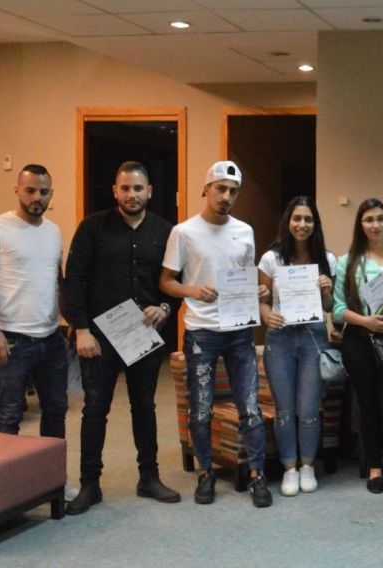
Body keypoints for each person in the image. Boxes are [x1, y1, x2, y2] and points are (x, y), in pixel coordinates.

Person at [62, 161, 182, 515]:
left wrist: (165, 307)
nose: (132, 194)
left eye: (138, 188)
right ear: (115, 190)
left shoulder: (165, 231)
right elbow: (75, 281)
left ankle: (149, 477)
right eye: (125, 188)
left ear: (150, 192)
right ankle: (90, 484)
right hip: (98, 336)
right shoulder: (92, 228)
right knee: (95, 409)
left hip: (143, 335)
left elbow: (175, 281)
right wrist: (81, 328)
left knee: (144, 406)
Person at [159, 160, 272, 508]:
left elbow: (245, 276)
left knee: (249, 406)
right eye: (220, 189)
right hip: (202, 331)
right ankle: (206, 473)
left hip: (239, 329)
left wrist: (260, 292)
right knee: (201, 408)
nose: (226, 197)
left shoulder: (245, 231)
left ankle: (257, 475)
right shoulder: (184, 232)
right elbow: (165, 281)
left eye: (233, 192)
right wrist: (191, 291)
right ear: (206, 190)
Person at [0, 164, 75, 501]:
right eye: (30, 190)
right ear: (17, 190)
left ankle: (53, 481)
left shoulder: (54, 232)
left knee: (56, 412)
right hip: (10, 340)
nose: (37, 198)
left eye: (44, 192)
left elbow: (55, 281)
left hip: (50, 338)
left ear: (51, 194)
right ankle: (8, 491)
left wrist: (69, 319)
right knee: (9, 416)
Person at [332, 198, 383, 494]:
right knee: (367, 406)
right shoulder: (347, 262)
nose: (375, 224)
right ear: (360, 225)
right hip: (359, 340)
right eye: (368, 219)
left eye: (380, 218)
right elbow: (338, 309)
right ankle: (374, 466)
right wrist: (366, 322)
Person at [258, 196, 337, 497]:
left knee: (308, 410)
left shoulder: (327, 259)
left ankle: (307, 465)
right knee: (284, 410)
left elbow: (329, 307)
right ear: (287, 222)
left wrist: (328, 291)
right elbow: (262, 301)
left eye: (308, 219)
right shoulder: (271, 259)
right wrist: (267, 314)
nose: (302, 225)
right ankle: (289, 468)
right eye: (297, 218)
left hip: (313, 336)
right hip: (280, 338)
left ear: (315, 224)